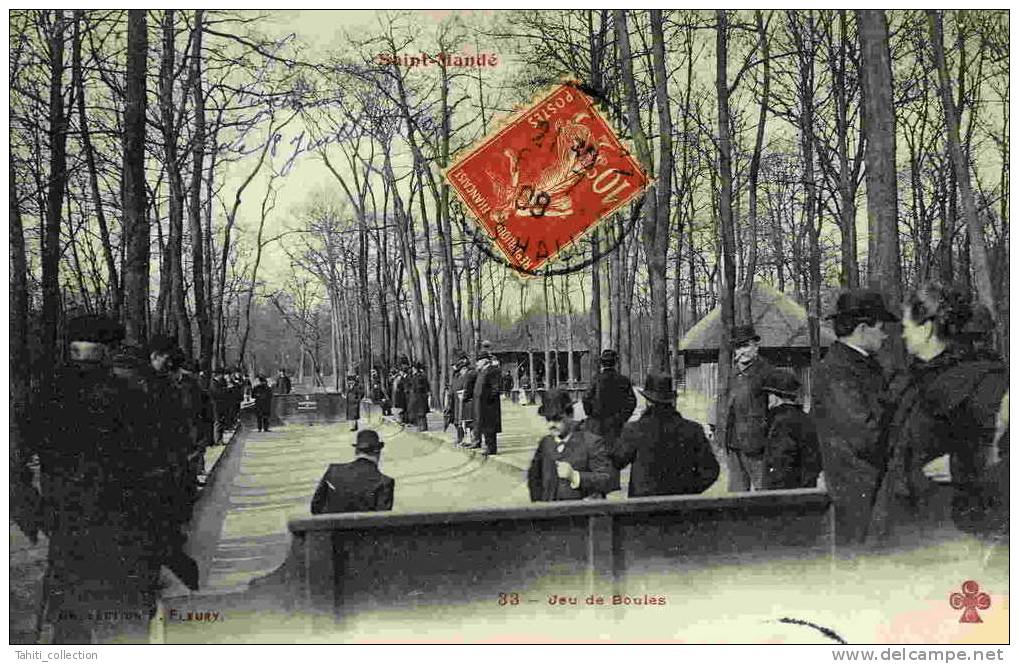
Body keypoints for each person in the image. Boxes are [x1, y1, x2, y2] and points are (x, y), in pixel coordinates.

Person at [866, 283, 1008, 547]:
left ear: (928, 328)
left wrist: (963, 466)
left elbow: (1002, 452)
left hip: (954, 531)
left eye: (907, 327)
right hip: (906, 527)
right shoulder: (912, 380)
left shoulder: (981, 379)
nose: (903, 335)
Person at [811, 289, 898, 547]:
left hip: (869, 487)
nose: (884, 335)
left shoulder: (862, 364)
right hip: (857, 491)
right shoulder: (837, 371)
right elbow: (865, 435)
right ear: (862, 328)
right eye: (881, 327)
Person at [611, 372, 719, 498]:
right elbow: (711, 471)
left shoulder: (634, 430)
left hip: (642, 511)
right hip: (682, 510)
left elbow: (616, 461)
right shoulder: (693, 430)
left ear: (648, 401)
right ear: (671, 400)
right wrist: (691, 489)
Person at [528, 389, 613, 501]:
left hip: (580, 515)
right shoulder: (545, 444)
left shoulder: (590, 442)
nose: (551, 425)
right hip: (550, 514)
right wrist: (539, 505)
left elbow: (606, 480)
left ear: (570, 415)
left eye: (557, 419)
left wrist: (575, 476)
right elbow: (534, 478)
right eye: (548, 419)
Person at [720, 324, 776, 492]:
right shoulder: (733, 373)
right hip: (734, 443)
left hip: (758, 446)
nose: (741, 351)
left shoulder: (767, 372)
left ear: (756, 346)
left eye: (745, 346)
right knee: (736, 496)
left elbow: (774, 409)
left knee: (763, 493)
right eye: (738, 347)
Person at [582, 348, 637, 492]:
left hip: (598, 424)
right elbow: (632, 402)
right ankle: (613, 485)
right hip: (616, 425)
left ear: (602, 363)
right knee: (615, 453)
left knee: (598, 453)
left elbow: (586, 398)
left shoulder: (596, 380)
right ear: (615, 362)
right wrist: (622, 418)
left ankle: (600, 485)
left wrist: (591, 414)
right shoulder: (623, 380)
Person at [760, 369, 822, 491]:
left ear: (774, 397)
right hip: (806, 490)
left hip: (785, 495)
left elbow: (780, 466)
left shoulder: (782, 423)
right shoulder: (805, 418)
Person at [311, 429, 395, 513]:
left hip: (329, 525)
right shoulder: (384, 483)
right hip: (363, 526)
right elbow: (382, 520)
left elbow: (315, 507)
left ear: (356, 451)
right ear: (378, 451)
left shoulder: (333, 470)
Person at [473, 343, 503, 455]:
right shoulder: (482, 372)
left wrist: (488, 399)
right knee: (485, 426)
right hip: (482, 404)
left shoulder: (492, 371)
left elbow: (495, 388)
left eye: (479, 361)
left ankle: (491, 448)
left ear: (485, 361)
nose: (477, 363)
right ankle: (488, 446)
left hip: (489, 405)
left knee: (490, 427)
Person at [445, 351, 471, 446]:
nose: (453, 366)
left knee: (462, 420)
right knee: (456, 421)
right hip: (454, 400)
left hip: (462, 400)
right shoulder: (455, 374)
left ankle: (465, 438)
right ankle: (459, 438)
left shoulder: (467, 372)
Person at [405, 362, 430, 430]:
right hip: (415, 396)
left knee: (422, 412)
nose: (413, 370)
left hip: (421, 396)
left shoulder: (421, 376)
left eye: (413, 368)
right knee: (417, 412)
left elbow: (425, 386)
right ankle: (419, 425)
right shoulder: (413, 376)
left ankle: (423, 426)